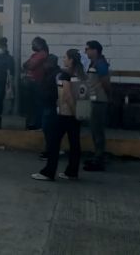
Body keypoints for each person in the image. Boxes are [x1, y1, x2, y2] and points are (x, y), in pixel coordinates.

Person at [32, 49, 85, 181]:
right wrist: (79, 113)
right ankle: (72, 172)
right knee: (75, 144)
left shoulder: (65, 75)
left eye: (66, 57)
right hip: (78, 113)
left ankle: (49, 172)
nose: (64, 59)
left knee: (54, 143)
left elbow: (67, 95)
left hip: (65, 114)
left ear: (71, 60)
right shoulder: (81, 74)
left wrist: (74, 112)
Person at [84, 40, 111, 172]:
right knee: (94, 130)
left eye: (88, 49)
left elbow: (105, 82)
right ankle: (97, 155)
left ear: (95, 50)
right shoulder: (94, 63)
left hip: (99, 101)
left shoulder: (100, 64)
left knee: (98, 130)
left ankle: (99, 158)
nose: (86, 51)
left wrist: (104, 95)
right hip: (94, 100)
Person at [22, 37, 49, 130]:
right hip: (32, 83)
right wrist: (27, 65)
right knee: (32, 105)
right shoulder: (35, 55)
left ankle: (38, 125)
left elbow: (30, 65)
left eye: (34, 44)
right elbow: (24, 64)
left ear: (40, 44)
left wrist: (27, 65)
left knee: (38, 105)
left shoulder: (42, 54)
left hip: (38, 83)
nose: (32, 46)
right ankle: (33, 124)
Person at [39, 54, 61, 159]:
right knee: (47, 129)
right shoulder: (49, 73)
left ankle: (51, 150)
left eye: (46, 63)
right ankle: (50, 149)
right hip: (47, 103)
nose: (44, 65)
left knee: (49, 129)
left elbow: (59, 90)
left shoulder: (57, 74)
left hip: (52, 105)